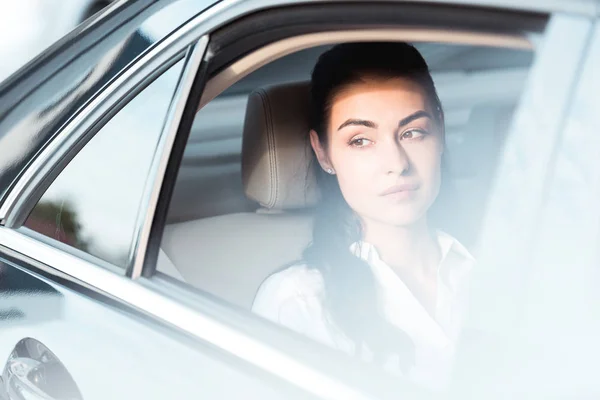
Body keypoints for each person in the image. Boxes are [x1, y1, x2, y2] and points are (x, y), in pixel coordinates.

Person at [252, 42, 475, 390]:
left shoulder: (502, 265)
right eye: (360, 140)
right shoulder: (298, 302)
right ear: (323, 153)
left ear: (441, 131)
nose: (397, 164)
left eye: (412, 132)